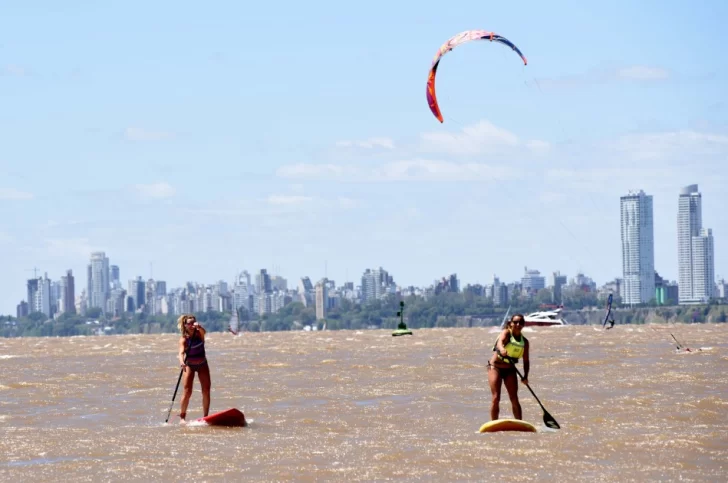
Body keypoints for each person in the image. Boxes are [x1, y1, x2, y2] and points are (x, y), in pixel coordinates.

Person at [488, 313, 529, 421]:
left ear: (523, 325)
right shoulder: (506, 333)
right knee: (496, 398)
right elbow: (500, 343)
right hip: (495, 367)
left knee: (514, 398)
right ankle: (494, 423)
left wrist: (525, 376)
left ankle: (520, 423)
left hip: (510, 369)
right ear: (510, 324)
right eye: (515, 322)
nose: (518, 324)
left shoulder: (524, 342)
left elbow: (526, 361)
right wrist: (501, 349)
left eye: (520, 322)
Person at [177, 314, 211, 424]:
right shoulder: (184, 339)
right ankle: (182, 418)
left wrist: (199, 327)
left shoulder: (199, 334)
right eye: (189, 323)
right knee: (187, 392)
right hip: (189, 365)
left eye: (193, 323)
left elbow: (204, 332)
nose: (192, 325)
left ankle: (206, 416)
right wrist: (182, 362)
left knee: (206, 391)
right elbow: (181, 352)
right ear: (185, 325)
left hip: (202, 364)